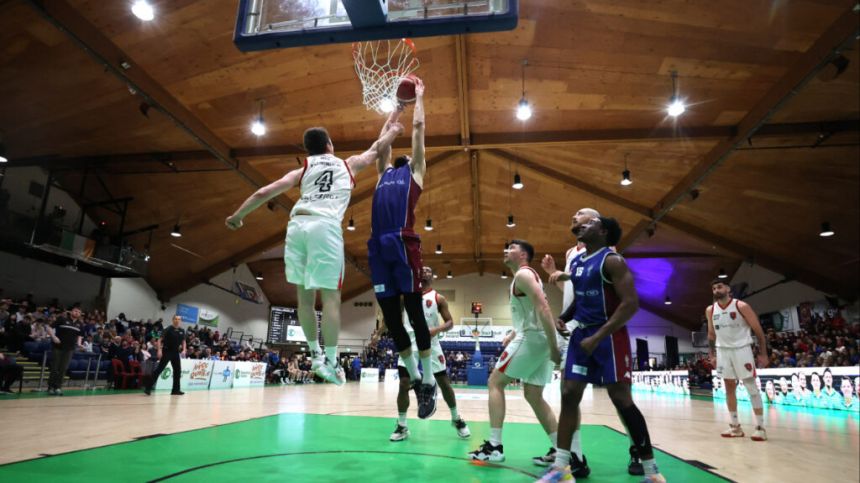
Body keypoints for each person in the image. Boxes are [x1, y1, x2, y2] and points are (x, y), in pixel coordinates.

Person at [226, 120, 403, 386]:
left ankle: (315, 355)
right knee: (331, 298)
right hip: (325, 227)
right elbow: (378, 148)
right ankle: (331, 361)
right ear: (330, 145)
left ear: (308, 151)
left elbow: (265, 191)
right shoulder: (348, 164)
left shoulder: (302, 169)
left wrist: (238, 216)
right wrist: (395, 129)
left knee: (304, 299)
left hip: (297, 226)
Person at [541, 216, 665, 483]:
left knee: (621, 399)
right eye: (580, 223)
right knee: (569, 393)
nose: (583, 226)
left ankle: (652, 471)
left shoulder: (612, 261)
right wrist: (566, 315)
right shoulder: (577, 261)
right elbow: (582, 297)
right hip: (582, 334)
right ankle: (561, 469)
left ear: (603, 231)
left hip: (609, 335)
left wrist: (598, 336)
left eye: (590, 223)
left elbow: (630, 304)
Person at [367, 79, 437, 418]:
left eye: (407, 151)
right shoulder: (382, 173)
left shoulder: (416, 171)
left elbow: (419, 128)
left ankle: (428, 382)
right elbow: (382, 142)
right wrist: (397, 107)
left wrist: (419, 98)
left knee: (414, 312)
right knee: (392, 321)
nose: (402, 153)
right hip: (378, 246)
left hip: (402, 241)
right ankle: (416, 376)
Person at [469, 240, 561, 463]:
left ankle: (494, 446)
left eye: (511, 248)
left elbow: (544, 308)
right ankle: (562, 449)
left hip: (533, 339)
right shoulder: (524, 278)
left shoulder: (523, 275)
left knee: (495, 382)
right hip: (536, 338)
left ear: (523, 256)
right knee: (533, 394)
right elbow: (531, 311)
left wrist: (553, 348)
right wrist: (512, 333)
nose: (505, 251)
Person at [390, 266, 470, 442]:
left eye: (428, 270)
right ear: (417, 274)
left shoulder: (438, 298)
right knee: (404, 383)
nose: (425, 272)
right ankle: (402, 425)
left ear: (432, 277)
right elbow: (393, 316)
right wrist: (378, 333)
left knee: (444, 382)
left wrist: (437, 329)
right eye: (422, 270)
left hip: (431, 344)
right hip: (409, 342)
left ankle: (456, 419)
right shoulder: (407, 295)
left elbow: (450, 322)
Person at [707, 279, 769, 441]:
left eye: (719, 287)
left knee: (750, 385)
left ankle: (760, 427)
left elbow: (758, 331)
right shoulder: (710, 310)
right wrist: (711, 354)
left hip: (742, 349)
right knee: (728, 387)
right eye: (713, 288)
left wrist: (763, 353)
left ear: (728, 289)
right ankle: (735, 427)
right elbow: (711, 335)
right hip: (722, 351)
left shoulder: (741, 306)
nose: (716, 290)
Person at [144, 315, 187, 396]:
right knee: (160, 369)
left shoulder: (182, 330)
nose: (177, 320)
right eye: (175, 319)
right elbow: (159, 340)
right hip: (167, 351)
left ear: (180, 320)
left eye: (179, 319)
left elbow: (184, 341)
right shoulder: (168, 329)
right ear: (172, 320)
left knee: (178, 371)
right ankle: (148, 388)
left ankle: (175, 390)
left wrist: (184, 350)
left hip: (175, 352)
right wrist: (159, 350)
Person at [48, 307, 83, 396]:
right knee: (55, 368)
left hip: (70, 349)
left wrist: (79, 344)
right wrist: (53, 337)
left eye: (79, 312)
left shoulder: (80, 324)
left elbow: (80, 336)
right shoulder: (62, 319)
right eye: (75, 311)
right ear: (71, 312)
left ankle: (58, 387)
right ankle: (51, 387)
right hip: (58, 347)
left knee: (63, 369)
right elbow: (49, 327)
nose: (77, 313)